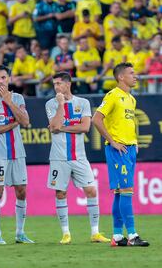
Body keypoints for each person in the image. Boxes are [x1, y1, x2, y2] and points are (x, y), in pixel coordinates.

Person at [45, 72, 110, 245]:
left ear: (68, 84)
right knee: (60, 193)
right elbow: (56, 125)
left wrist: (61, 127)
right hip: (59, 157)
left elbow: (86, 127)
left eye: (59, 83)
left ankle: (95, 232)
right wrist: (60, 105)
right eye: (54, 84)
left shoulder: (83, 103)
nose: (56, 87)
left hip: (79, 157)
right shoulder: (51, 104)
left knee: (91, 190)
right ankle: (66, 233)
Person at [92, 63, 150, 247]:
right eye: (131, 73)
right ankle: (132, 235)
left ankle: (117, 236)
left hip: (129, 148)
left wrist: (134, 142)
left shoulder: (131, 99)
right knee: (126, 191)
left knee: (120, 192)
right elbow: (96, 119)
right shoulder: (112, 96)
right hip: (118, 149)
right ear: (121, 77)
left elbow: (127, 123)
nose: (136, 76)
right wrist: (113, 141)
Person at [0, 65, 33, 244]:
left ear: (9, 79)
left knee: (21, 191)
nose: (1, 81)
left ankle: (20, 233)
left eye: (3, 78)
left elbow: (26, 121)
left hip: (17, 152)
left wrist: (9, 101)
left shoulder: (18, 98)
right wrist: (14, 123)